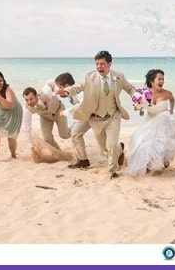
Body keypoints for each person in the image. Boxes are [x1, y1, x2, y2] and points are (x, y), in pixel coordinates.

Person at [57, 51, 136, 179]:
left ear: (109, 64)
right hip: (95, 118)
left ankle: (113, 171)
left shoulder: (118, 76)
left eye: (102, 64)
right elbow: (77, 87)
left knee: (111, 144)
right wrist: (66, 92)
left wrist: (136, 97)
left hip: (113, 116)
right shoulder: (89, 77)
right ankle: (120, 149)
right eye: (97, 64)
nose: (99, 66)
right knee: (104, 149)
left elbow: (129, 88)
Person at [126, 69, 175, 176]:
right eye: (159, 79)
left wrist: (171, 110)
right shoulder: (144, 93)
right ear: (152, 81)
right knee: (144, 144)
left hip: (163, 121)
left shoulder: (167, 93)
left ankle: (165, 157)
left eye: (163, 79)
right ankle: (147, 166)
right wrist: (139, 107)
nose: (162, 81)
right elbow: (139, 106)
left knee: (162, 139)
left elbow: (172, 99)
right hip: (150, 121)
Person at [52, 72, 93, 170]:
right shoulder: (71, 94)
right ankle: (82, 160)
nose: (59, 89)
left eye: (60, 87)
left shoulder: (79, 92)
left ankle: (83, 160)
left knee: (75, 134)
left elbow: (83, 106)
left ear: (67, 86)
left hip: (92, 115)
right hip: (84, 116)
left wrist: (66, 112)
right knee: (75, 134)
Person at [21, 82, 70, 153]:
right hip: (45, 117)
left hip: (59, 110)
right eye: (26, 100)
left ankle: (76, 126)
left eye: (31, 99)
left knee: (64, 135)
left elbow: (52, 82)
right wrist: (31, 148)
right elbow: (26, 128)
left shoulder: (45, 93)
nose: (29, 102)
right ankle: (59, 151)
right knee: (47, 138)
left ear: (36, 95)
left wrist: (60, 91)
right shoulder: (27, 109)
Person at [0, 70, 23, 159]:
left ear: (4, 80)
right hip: (1, 110)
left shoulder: (7, 89)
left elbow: (10, 106)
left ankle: (13, 154)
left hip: (14, 111)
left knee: (11, 136)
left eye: (1, 80)